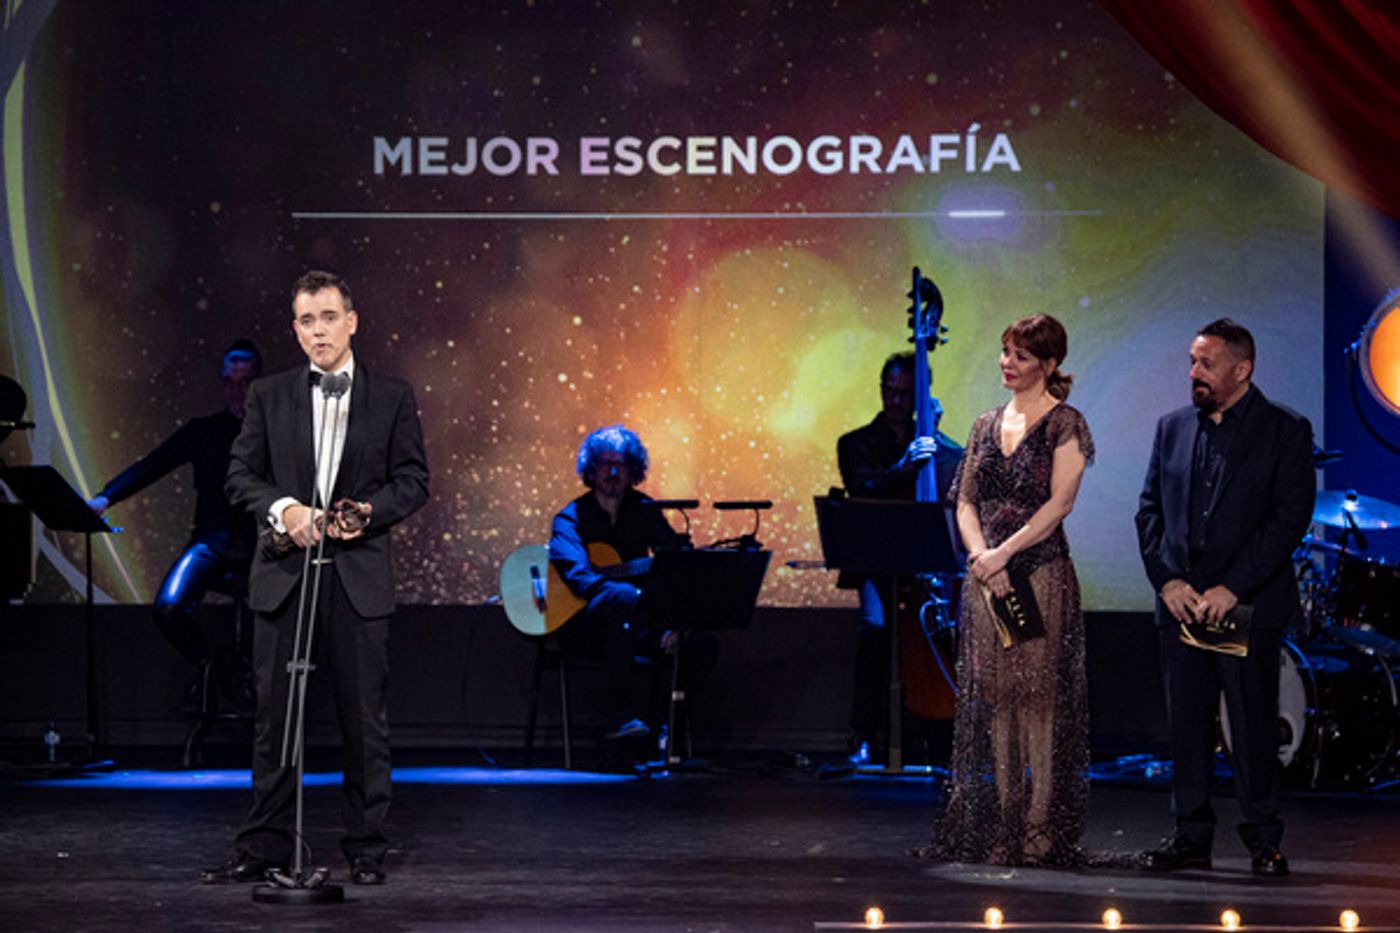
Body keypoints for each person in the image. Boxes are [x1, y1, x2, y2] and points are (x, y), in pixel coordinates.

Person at [201, 270, 429, 886]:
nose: (319, 331)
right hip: (286, 575)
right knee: (274, 720)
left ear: (351, 322)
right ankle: (264, 845)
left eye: (329, 317)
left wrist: (368, 512)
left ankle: (366, 847)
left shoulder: (391, 396)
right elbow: (239, 476)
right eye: (307, 320)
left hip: (356, 579)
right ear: (296, 331)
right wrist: (285, 509)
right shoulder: (269, 395)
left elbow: (413, 480)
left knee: (364, 721)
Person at [1136, 318, 1314, 878]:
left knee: (1251, 725)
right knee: (1187, 727)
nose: (1194, 372)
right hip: (1183, 605)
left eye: (1206, 363)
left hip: (1245, 606)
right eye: (1192, 361)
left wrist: (1232, 587)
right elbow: (1149, 512)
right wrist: (1168, 582)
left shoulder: (1284, 430)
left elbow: (1288, 520)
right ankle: (1190, 834)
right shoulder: (1171, 428)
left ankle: (1263, 837)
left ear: (1242, 370)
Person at [917, 313, 1093, 866]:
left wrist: (1004, 555)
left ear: (1048, 363)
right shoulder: (983, 425)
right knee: (997, 700)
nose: (1007, 363)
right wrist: (981, 557)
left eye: (1021, 355)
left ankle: (1039, 824)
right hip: (987, 577)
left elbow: (1060, 504)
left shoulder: (1065, 423)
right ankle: (1005, 820)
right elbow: (965, 500)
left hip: (1036, 573)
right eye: (1005, 352)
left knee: (1036, 699)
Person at [87, 340, 262, 707]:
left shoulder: (277, 433)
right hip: (211, 543)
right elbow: (154, 464)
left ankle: (254, 685)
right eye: (229, 382)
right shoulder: (204, 431)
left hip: (264, 546)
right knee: (168, 607)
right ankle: (213, 668)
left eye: (245, 382)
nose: (236, 392)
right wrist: (106, 497)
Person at [548, 424, 716, 743]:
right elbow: (580, 578)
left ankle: (669, 731)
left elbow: (674, 566)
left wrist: (672, 625)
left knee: (702, 644)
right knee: (622, 598)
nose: (613, 472)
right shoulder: (570, 518)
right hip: (587, 626)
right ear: (591, 470)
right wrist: (639, 606)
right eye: (605, 464)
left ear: (632, 471)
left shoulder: (645, 511)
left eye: (621, 465)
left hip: (638, 626)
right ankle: (620, 718)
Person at [836, 351, 962, 765]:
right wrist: (904, 465)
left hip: (923, 565)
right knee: (876, 630)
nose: (894, 401)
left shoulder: (931, 442)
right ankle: (862, 733)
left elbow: (958, 476)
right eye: (889, 391)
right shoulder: (856, 443)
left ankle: (936, 736)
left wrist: (935, 435)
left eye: (905, 394)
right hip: (876, 562)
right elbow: (861, 484)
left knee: (938, 638)